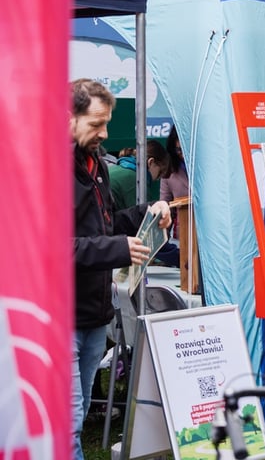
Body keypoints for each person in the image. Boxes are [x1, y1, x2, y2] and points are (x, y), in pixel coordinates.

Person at [71, 79, 172, 459]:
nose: (106, 133)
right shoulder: (45, 168)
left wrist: (147, 213)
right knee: (65, 426)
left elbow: (106, 227)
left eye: (107, 123)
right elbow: (46, 249)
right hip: (58, 319)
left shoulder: (96, 165)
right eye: (96, 123)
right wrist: (116, 249)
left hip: (95, 314)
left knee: (75, 420)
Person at [108, 139, 171, 210]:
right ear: (151, 162)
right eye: (160, 172)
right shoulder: (137, 182)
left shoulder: (115, 169)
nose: (157, 179)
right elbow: (141, 218)